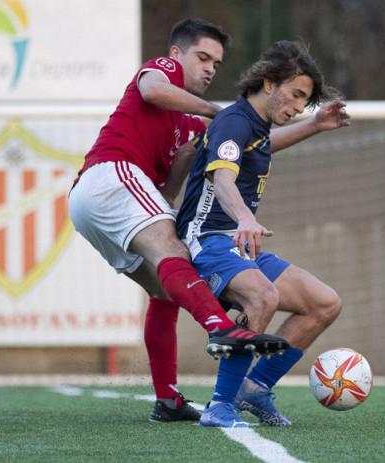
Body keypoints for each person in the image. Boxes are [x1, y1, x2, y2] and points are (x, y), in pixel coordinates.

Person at [68, 19, 289, 423]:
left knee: (167, 292)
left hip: (97, 202)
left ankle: (167, 401)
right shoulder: (162, 72)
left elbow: (201, 161)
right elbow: (151, 89)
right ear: (176, 55)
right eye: (202, 57)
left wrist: (313, 125)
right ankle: (221, 327)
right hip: (110, 174)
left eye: (217, 64)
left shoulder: (189, 126)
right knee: (175, 251)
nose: (209, 69)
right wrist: (213, 110)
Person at [176, 40, 351, 427]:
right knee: (263, 296)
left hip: (237, 243)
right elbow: (223, 179)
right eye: (296, 95)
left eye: (304, 101)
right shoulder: (234, 121)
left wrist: (314, 125)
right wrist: (244, 217)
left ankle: (253, 390)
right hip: (207, 239)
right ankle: (220, 406)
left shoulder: (254, 126)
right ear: (270, 82)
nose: (297, 106)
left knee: (324, 303)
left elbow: (263, 148)